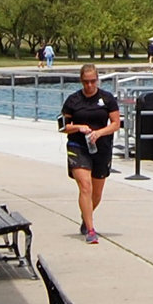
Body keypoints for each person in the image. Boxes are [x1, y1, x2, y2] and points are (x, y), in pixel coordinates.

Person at [58, 64, 122, 244]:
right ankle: (91, 230)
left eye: (93, 81)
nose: (89, 85)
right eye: (86, 82)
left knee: (96, 192)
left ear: (97, 80)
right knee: (85, 186)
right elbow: (63, 126)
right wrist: (79, 127)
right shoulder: (73, 100)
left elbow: (116, 123)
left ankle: (86, 216)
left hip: (101, 148)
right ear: (81, 81)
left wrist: (99, 132)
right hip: (78, 146)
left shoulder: (107, 98)